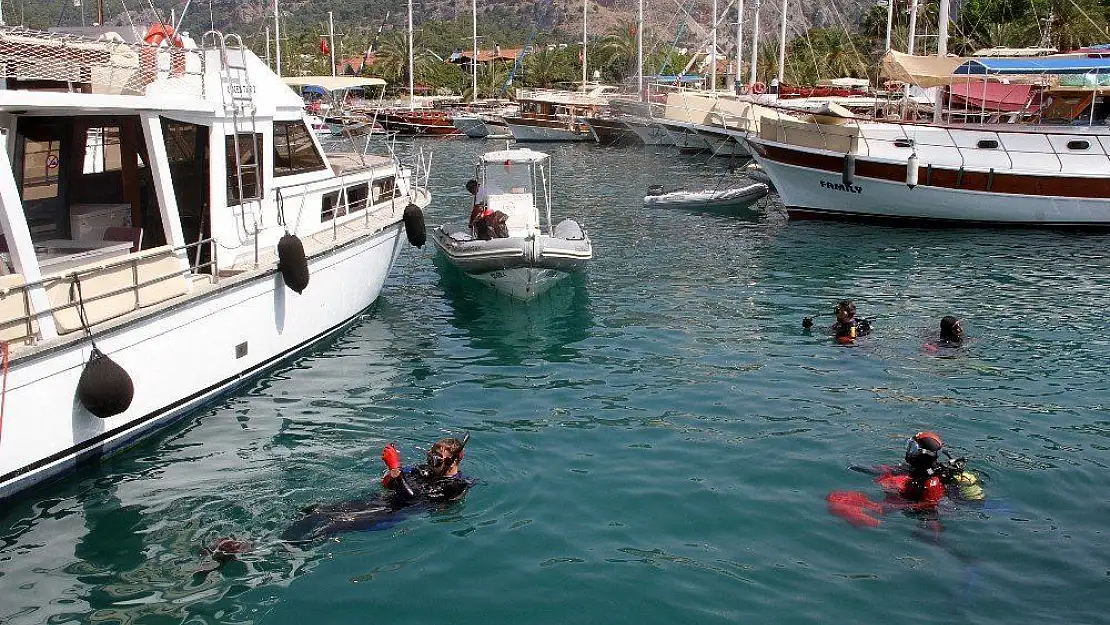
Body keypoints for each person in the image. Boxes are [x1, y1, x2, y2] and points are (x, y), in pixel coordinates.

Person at [281, 435, 472, 542]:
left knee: (330, 527)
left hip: (390, 515)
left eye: (436, 460)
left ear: (453, 461)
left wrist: (395, 469)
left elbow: (413, 499)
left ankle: (272, 549)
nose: (430, 463)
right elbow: (389, 483)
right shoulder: (425, 471)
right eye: (429, 457)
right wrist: (391, 474)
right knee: (315, 510)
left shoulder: (456, 486)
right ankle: (272, 536)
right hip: (378, 502)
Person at [827, 431, 984, 528]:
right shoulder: (915, 469)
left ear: (923, 454)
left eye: (913, 448)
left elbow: (930, 507)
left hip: (911, 510)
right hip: (900, 502)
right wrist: (854, 466)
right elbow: (886, 469)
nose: (909, 451)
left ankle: (876, 526)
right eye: (910, 446)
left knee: (838, 501)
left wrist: (889, 508)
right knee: (836, 497)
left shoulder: (932, 481)